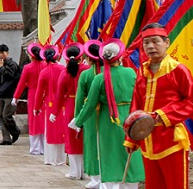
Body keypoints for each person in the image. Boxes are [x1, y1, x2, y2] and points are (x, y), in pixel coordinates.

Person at [124, 23, 193, 188]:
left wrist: (162, 115)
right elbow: (136, 105)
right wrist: (131, 138)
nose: (150, 46)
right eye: (146, 43)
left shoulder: (178, 70)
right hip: (148, 140)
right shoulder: (142, 72)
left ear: (167, 42)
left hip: (171, 139)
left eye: (155, 41)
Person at [72, 39, 144, 189]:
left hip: (108, 119)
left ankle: (112, 184)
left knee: (109, 153)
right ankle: (132, 183)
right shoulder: (131, 73)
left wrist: (78, 121)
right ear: (120, 57)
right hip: (130, 117)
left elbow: (89, 104)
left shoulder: (99, 78)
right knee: (130, 151)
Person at [53, 43, 89, 179]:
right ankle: (86, 171)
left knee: (72, 139)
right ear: (81, 57)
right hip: (85, 105)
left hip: (69, 106)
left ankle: (74, 171)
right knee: (85, 138)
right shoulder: (87, 70)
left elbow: (59, 95)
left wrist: (54, 112)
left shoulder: (65, 72)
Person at [75, 39, 103, 189]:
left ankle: (95, 178)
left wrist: (78, 118)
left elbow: (80, 99)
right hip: (110, 114)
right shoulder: (111, 72)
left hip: (91, 115)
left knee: (92, 144)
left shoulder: (86, 75)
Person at [33, 45, 66, 165]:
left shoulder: (44, 72)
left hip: (49, 103)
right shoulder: (63, 69)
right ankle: (61, 158)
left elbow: (39, 92)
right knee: (62, 129)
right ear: (56, 56)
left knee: (50, 130)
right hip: (63, 103)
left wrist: (36, 107)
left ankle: (50, 159)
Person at [13, 43, 47, 154]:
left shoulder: (28, 67)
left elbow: (21, 84)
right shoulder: (46, 65)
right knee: (43, 119)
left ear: (32, 56)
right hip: (44, 94)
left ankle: (35, 147)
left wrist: (16, 97)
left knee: (34, 119)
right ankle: (44, 146)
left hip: (33, 94)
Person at [0, 44, 21, 145]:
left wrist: (1, 68)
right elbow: (3, 79)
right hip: (2, 93)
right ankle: (6, 138)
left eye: (3, 53)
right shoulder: (2, 64)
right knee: (0, 116)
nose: (1, 55)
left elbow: (9, 76)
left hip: (10, 94)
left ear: (7, 53)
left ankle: (15, 131)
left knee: (6, 115)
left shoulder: (11, 64)